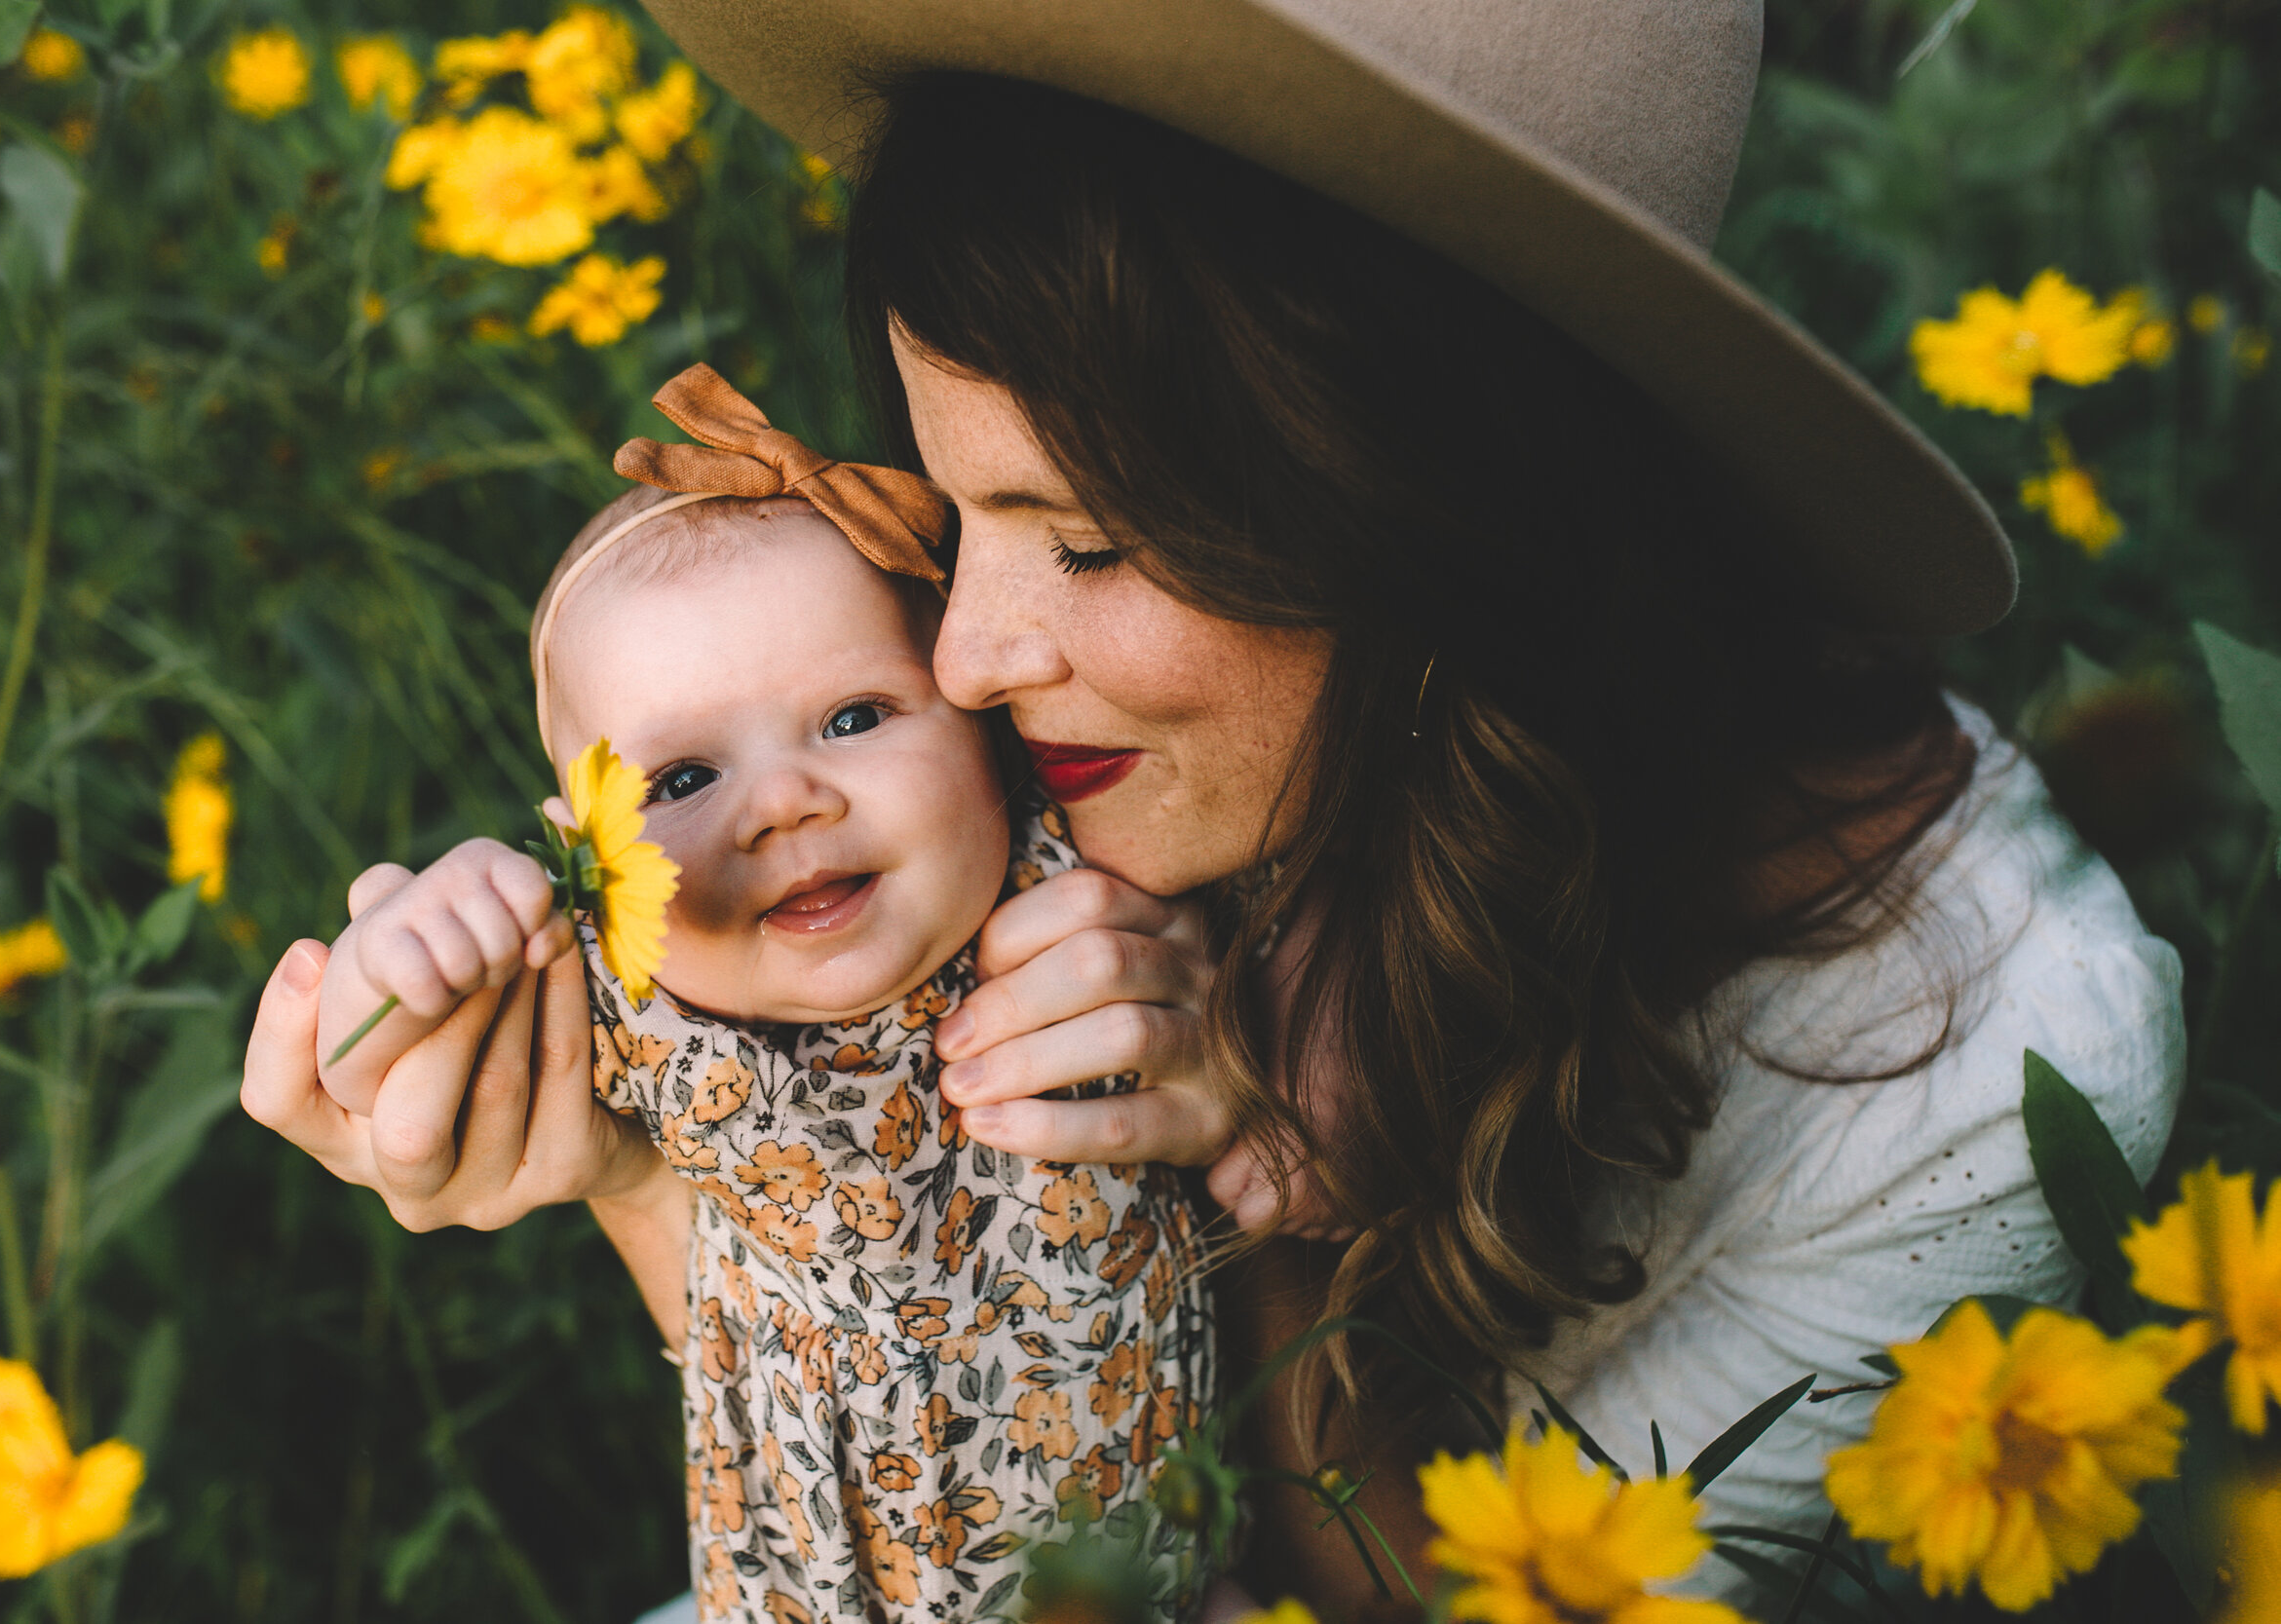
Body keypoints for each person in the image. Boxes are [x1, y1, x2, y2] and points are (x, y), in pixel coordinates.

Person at [243, 1, 2186, 1612]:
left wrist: (1226, 1228)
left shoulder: (1976, 1071)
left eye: (1089, 542)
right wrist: (618, 1137)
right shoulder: (1013, 749)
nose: (973, 657)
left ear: (1439, 517)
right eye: (954, 510)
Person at [300, 365, 1219, 1622]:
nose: (786, 800)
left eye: (853, 716)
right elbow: (388, 1066)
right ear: (590, 844)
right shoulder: (640, 995)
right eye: (680, 781)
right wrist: (419, 944)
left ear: (976, 721)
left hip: (1151, 1559)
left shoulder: (1074, 890)